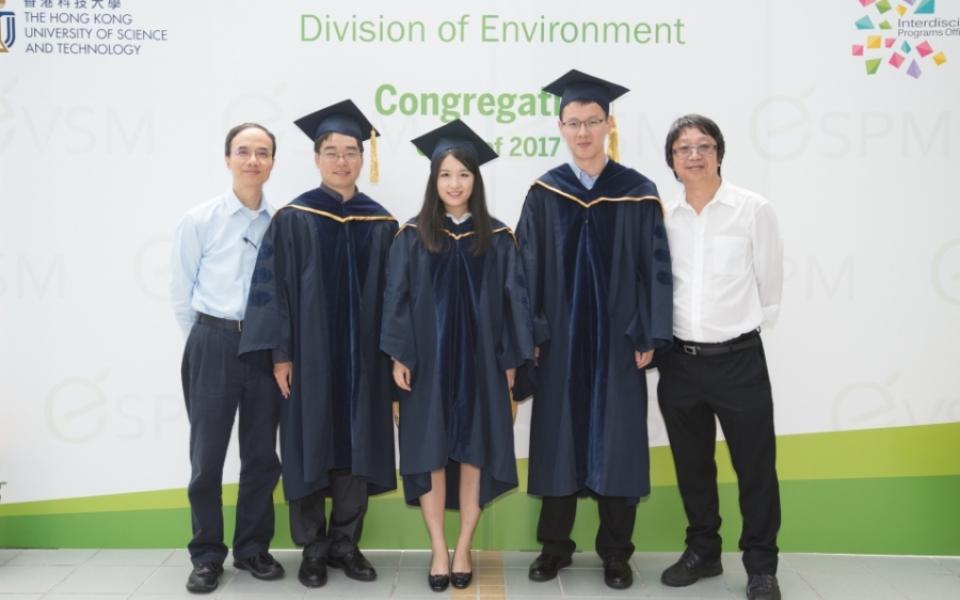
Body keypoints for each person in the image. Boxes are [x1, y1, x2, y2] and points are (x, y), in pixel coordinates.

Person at [516, 70, 673, 590]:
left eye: (592, 121)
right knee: (558, 435)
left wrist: (649, 332)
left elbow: (655, 266)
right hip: (558, 339)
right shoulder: (544, 193)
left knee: (617, 440)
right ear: (560, 126)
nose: (583, 131)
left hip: (618, 340)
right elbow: (525, 270)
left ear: (609, 123)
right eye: (573, 122)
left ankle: (616, 553)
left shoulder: (638, 192)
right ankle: (554, 547)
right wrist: (532, 332)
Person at [237, 100, 397, 589]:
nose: (342, 160)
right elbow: (272, 290)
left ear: (362, 157)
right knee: (308, 445)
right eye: (332, 151)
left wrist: (393, 357)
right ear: (316, 158)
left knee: (356, 446)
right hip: (307, 360)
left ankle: (345, 544)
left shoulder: (383, 224)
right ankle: (312, 547)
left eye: (351, 151)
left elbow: (397, 299)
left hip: (365, 362)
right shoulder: (294, 218)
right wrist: (280, 355)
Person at [381, 119, 534, 592]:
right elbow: (396, 298)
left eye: (463, 174)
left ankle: (463, 545)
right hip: (426, 365)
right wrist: (399, 355)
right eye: (445, 174)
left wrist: (511, 359)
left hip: (482, 365)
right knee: (429, 455)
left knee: (472, 453)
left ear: (476, 180)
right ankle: (438, 549)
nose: (454, 183)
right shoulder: (410, 235)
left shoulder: (499, 237)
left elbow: (516, 302)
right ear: (434, 179)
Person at [657, 114, 783, 600]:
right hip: (680, 362)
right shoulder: (663, 217)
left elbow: (770, 285)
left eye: (704, 145)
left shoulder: (753, 209)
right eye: (683, 148)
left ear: (719, 153)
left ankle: (761, 565)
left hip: (738, 360)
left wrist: (742, 331)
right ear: (672, 160)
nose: (694, 154)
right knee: (693, 466)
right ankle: (703, 551)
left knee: (755, 467)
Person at [170, 123, 284, 594]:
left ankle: (253, 548)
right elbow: (181, 294)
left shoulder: (282, 224)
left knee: (260, 456)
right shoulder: (200, 220)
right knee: (207, 457)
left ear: (273, 162)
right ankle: (207, 556)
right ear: (227, 159)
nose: (252, 160)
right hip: (212, 342)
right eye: (243, 151)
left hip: (262, 349)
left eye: (262, 152)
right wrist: (207, 341)